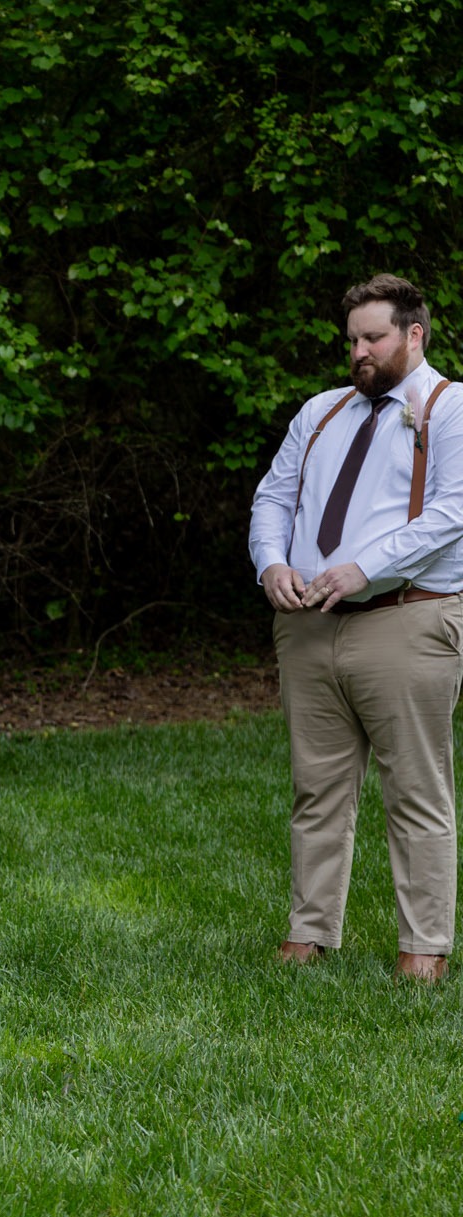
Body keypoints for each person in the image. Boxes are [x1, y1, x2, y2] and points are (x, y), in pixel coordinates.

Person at [250, 273, 460, 981]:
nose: (359, 353)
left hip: (408, 618)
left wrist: (359, 568)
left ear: (413, 335)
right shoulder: (321, 412)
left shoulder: (451, 408)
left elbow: (450, 513)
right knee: (317, 787)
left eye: (372, 338)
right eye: (351, 341)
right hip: (307, 625)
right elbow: (274, 495)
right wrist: (272, 564)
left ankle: (423, 947)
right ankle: (309, 933)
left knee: (416, 786)